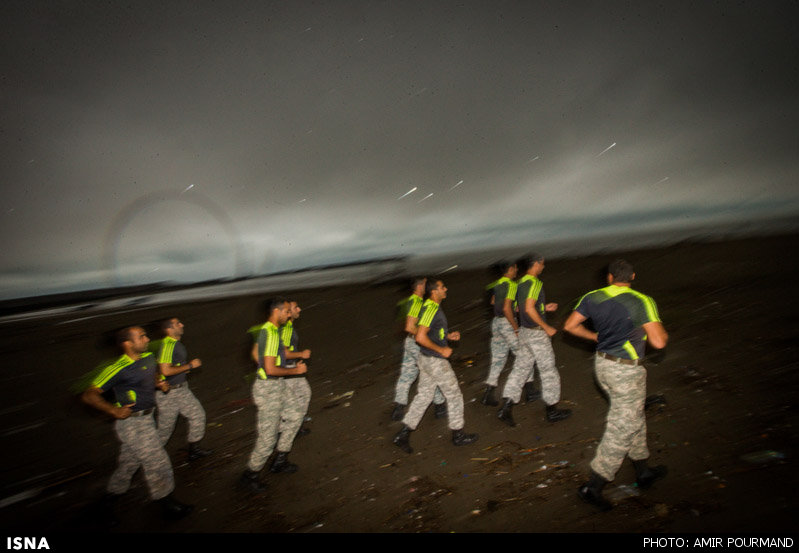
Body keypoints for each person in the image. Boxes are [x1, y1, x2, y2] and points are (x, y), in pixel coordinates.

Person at [563, 259, 668, 511]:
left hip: (602, 366)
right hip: (625, 371)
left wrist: (593, 336)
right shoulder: (641, 301)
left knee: (633, 416)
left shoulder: (592, 297)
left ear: (609, 278)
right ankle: (593, 486)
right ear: (632, 276)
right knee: (622, 426)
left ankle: (643, 471)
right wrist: (660, 331)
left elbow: (569, 326)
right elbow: (659, 342)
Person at [82, 326, 192, 523]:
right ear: (128, 343)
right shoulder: (118, 368)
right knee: (158, 463)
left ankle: (107, 501)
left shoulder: (148, 357)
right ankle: (167, 505)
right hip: (132, 424)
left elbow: (152, 374)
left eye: (145, 335)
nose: (147, 339)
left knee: (128, 465)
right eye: (141, 337)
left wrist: (159, 382)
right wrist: (114, 410)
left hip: (148, 419)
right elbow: (89, 395)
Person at [393, 279, 478, 453]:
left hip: (425, 359)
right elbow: (420, 337)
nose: (446, 289)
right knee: (454, 395)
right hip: (435, 361)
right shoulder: (431, 307)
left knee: (423, 396)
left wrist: (447, 336)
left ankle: (403, 435)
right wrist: (441, 349)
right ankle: (458, 435)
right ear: (434, 292)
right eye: (442, 287)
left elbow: (427, 331)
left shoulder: (429, 307)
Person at [241, 298, 308, 492]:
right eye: (286, 311)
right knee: (267, 438)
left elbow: (256, 353)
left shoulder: (272, 331)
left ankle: (280, 460)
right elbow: (270, 368)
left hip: (276, 385)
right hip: (268, 388)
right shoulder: (269, 332)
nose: (289, 315)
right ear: (277, 311)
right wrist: (295, 372)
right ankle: (251, 474)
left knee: (296, 415)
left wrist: (262, 363)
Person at [497, 253, 571, 426]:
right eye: (542, 264)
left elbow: (519, 308)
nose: (543, 267)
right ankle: (552, 410)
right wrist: (546, 327)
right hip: (536, 334)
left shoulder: (520, 283)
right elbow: (529, 309)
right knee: (548, 370)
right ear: (536, 264)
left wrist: (544, 307)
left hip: (524, 332)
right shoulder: (534, 282)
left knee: (520, 370)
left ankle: (506, 407)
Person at [151, 317, 211, 461]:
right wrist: (190, 366)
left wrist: (182, 370)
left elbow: (170, 367)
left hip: (181, 390)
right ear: (169, 329)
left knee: (197, 415)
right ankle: (150, 458)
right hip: (170, 394)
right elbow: (165, 370)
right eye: (178, 323)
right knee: (165, 430)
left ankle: (193, 449)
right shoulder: (168, 344)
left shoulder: (175, 344)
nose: (182, 325)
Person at [481, 261, 539, 406]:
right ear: (510, 269)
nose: (517, 270)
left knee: (498, 359)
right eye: (515, 268)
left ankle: (488, 393)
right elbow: (507, 308)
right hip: (507, 323)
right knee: (525, 355)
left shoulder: (497, 284)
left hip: (496, 322)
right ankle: (530, 390)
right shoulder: (512, 285)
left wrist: (512, 307)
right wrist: (515, 327)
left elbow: (494, 302)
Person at [391, 277, 446, 421]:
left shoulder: (417, 301)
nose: (427, 286)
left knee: (407, 374)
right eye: (425, 284)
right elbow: (409, 327)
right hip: (416, 344)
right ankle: (440, 405)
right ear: (419, 286)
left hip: (410, 343)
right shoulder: (415, 301)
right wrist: (427, 337)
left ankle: (399, 407)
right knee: (431, 372)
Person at [277, 300, 312, 439]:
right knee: (293, 398)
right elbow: (283, 352)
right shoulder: (285, 328)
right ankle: (284, 430)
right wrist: (300, 355)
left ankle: (294, 426)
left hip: (292, 366)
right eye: (296, 307)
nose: (300, 309)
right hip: (287, 368)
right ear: (289, 312)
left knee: (303, 393)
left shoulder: (289, 326)